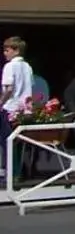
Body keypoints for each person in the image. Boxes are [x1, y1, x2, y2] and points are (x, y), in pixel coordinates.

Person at [0, 37, 33, 180]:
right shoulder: (27, 66)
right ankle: (17, 172)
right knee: (17, 142)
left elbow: (9, 88)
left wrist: (1, 103)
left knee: (7, 141)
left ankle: (11, 173)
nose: (4, 53)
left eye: (7, 50)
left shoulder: (9, 66)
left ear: (16, 50)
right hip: (24, 109)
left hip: (10, 108)